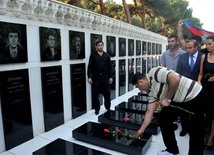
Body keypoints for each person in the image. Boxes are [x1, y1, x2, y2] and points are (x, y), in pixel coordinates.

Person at [132, 66, 204, 155]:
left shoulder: (154, 73)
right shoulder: (151, 92)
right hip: (178, 99)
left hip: (194, 95)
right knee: (164, 118)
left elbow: (175, 79)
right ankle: (172, 150)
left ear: (141, 82)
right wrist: (142, 129)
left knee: (195, 129)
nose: (139, 89)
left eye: (137, 87)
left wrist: (167, 99)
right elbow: (150, 112)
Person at [176, 39, 204, 137]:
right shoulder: (182, 57)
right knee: (183, 110)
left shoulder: (202, 57)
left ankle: (194, 129)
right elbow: (178, 72)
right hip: (183, 89)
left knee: (196, 111)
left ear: (196, 47)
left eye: (190, 48)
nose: (187, 50)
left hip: (197, 89)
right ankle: (184, 128)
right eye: (186, 48)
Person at [87, 40, 113, 115]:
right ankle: (97, 109)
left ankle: (107, 107)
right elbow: (90, 67)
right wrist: (89, 77)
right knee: (95, 94)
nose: (100, 46)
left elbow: (110, 67)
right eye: (99, 45)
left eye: (101, 45)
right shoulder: (93, 55)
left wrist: (111, 77)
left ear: (103, 46)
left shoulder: (107, 55)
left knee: (107, 93)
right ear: (96, 46)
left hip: (105, 77)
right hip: (96, 77)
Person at [198, 35, 214, 150]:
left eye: (209, 44)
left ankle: (210, 140)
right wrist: (199, 82)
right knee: (203, 113)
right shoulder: (204, 56)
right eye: (206, 44)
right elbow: (200, 73)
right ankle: (202, 135)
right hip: (205, 88)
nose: (207, 46)